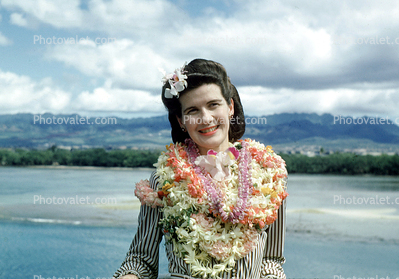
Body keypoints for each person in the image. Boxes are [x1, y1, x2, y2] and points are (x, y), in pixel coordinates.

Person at [113, 59, 288, 279]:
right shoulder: (163, 179)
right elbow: (141, 260)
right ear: (181, 121)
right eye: (193, 110)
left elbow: (271, 262)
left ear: (230, 107)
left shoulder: (269, 175)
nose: (205, 118)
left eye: (213, 105)